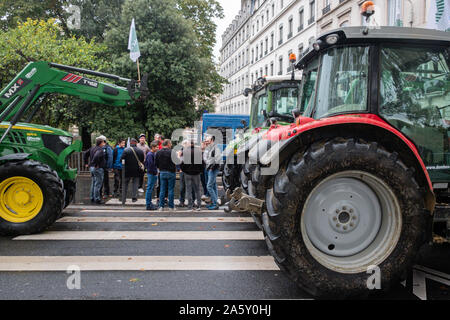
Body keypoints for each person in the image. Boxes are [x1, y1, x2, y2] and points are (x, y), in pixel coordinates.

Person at [180, 140, 204, 211]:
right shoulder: (199, 152)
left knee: (189, 190)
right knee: (198, 190)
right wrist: (200, 171)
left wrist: (184, 170)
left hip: (187, 173)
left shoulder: (185, 151)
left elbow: (182, 163)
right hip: (196, 173)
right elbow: (202, 163)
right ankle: (199, 206)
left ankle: (190, 206)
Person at [155, 139, 178, 211]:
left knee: (162, 189)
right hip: (171, 172)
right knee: (171, 189)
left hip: (162, 172)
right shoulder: (172, 152)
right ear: (168, 144)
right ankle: (171, 206)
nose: (171, 145)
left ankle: (161, 206)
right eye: (170, 143)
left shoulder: (158, 152)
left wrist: (160, 168)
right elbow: (176, 161)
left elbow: (156, 163)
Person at [120, 138, 145, 203]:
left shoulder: (126, 150)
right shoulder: (140, 151)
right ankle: (134, 198)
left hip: (127, 170)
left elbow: (121, 159)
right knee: (135, 184)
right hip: (136, 170)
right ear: (136, 143)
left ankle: (124, 198)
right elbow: (142, 160)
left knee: (125, 184)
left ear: (130, 143)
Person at [84, 136, 106, 204]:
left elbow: (85, 154)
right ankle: (97, 198)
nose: (104, 143)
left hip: (92, 167)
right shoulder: (100, 150)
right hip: (98, 168)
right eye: (103, 142)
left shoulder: (92, 148)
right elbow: (96, 156)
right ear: (101, 143)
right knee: (98, 184)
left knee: (93, 183)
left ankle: (92, 197)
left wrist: (86, 163)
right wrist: (95, 164)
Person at [204, 135, 221, 210]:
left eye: (207, 141)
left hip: (213, 169)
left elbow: (218, 160)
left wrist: (211, 168)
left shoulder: (215, 148)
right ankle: (215, 202)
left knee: (209, 186)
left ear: (211, 140)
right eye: (205, 141)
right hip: (210, 169)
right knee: (213, 185)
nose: (206, 142)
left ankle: (215, 204)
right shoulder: (210, 148)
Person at [144, 140, 159, 210]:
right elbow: (150, 165)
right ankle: (148, 204)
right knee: (149, 189)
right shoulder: (150, 154)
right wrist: (155, 172)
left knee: (150, 188)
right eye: (156, 147)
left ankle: (149, 203)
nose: (158, 148)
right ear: (152, 147)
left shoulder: (152, 154)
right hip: (152, 173)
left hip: (151, 173)